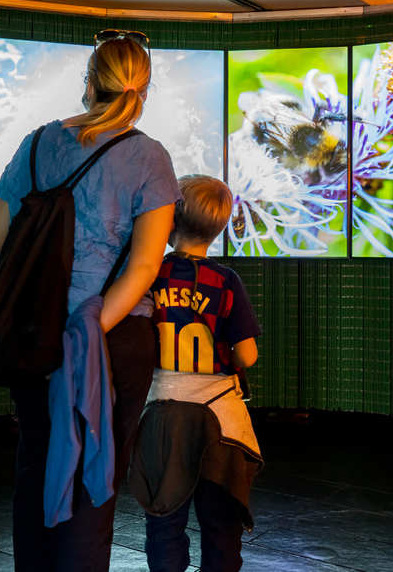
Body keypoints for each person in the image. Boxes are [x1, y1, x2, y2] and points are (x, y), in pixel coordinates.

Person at [0, 32, 179, 572]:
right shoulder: (149, 158)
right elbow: (144, 266)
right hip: (112, 341)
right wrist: (87, 328)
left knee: (37, 462)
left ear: (89, 81)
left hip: (34, 336)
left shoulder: (37, 143)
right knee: (97, 471)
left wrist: (25, 320)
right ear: (143, 89)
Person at [129, 175, 264, 572]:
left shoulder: (148, 274)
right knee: (222, 526)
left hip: (161, 413)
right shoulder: (226, 281)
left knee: (164, 522)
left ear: (169, 221)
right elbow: (248, 355)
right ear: (222, 226)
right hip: (220, 419)